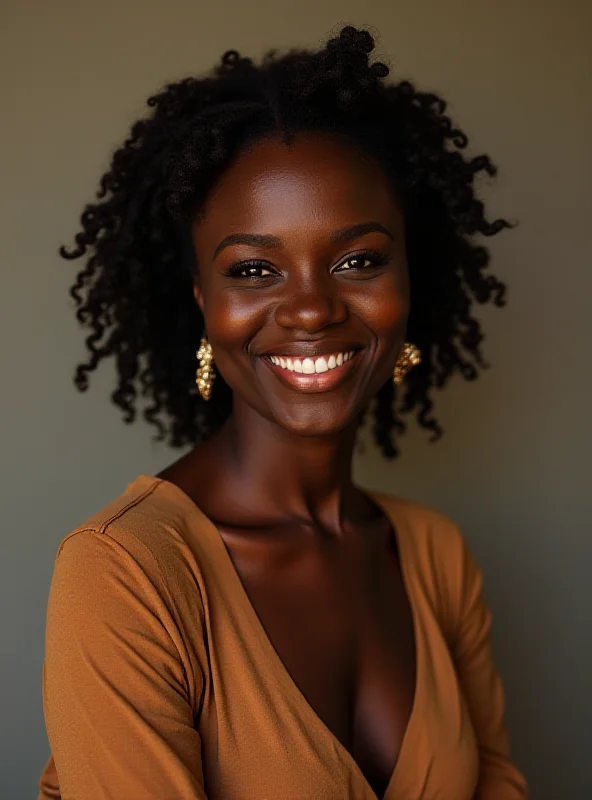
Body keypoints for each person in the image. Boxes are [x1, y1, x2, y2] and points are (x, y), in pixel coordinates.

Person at [37, 25, 528, 800]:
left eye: (358, 260)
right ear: (204, 302)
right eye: (255, 269)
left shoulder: (433, 555)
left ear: (409, 282)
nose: (308, 309)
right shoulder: (126, 573)